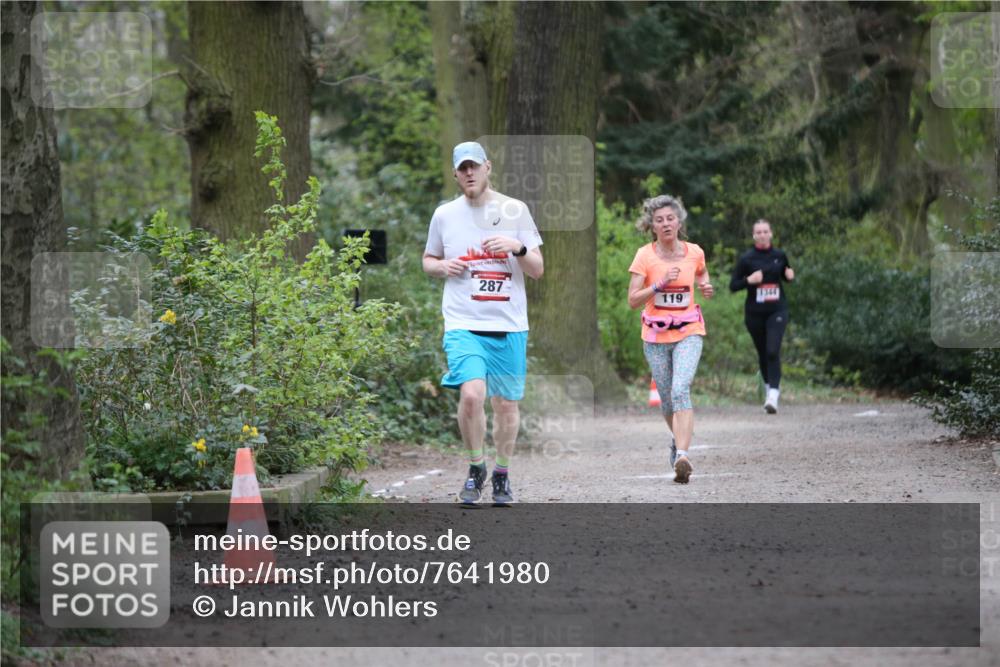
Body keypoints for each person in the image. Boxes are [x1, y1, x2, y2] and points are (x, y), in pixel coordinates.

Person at [422, 141, 543, 505]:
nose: (469, 173)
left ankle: (502, 474)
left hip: (508, 324)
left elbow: (537, 270)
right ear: (456, 173)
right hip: (463, 322)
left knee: (505, 405)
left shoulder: (515, 210)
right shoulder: (445, 215)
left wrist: (516, 247)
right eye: (463, 168)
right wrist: (442, 267)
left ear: (488, 167)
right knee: (472, 395)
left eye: (475, 166)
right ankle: (477, 469)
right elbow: (428, 259)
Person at [628, 195, 713, 484]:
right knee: (667, 402)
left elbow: (701, 272)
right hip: (654, 336)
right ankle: (677, 443)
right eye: (659, 220)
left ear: (679, 221)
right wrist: (659, 285)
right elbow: (632, 300)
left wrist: (705, 285)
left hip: (689, 331)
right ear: (652, 226)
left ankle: (683, 455)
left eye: (670, 218)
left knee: (680, 389)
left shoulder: (694, 252)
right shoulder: (645, 256)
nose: (665, 223)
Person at [729, 219, 794, 414]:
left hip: (777, 310)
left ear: (771, 234)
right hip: (754, 313)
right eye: (759, 232)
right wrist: (749, 280)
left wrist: (790, 276)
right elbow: (733, 286)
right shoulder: (747, 259)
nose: (763, 234)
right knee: (763, 353)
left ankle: (774, 394)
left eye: (766, 231)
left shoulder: (779, 255)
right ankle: (768, 389)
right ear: (754, 235)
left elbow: (786, 274)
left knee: (773, 350)